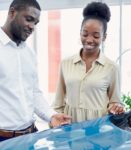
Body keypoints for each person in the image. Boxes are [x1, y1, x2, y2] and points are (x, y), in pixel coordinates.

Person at [0, 0, 71, 142]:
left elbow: (33, 92)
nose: (32, 27)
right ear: (12, 13)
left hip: (31, 136)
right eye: (29, 19)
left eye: (36, 23)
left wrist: (51, 115)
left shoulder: (29, 54)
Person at [53, 1, 125, 123]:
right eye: (85, 34)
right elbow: (58, 102)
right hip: (70, 126)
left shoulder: (112, 67)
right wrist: (56, 122)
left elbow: (114, 101)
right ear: (80, 33)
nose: (89, 40)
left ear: (104, 37)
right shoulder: (66, 63)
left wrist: (116, 108)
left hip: (99, 127)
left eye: (96, 36)